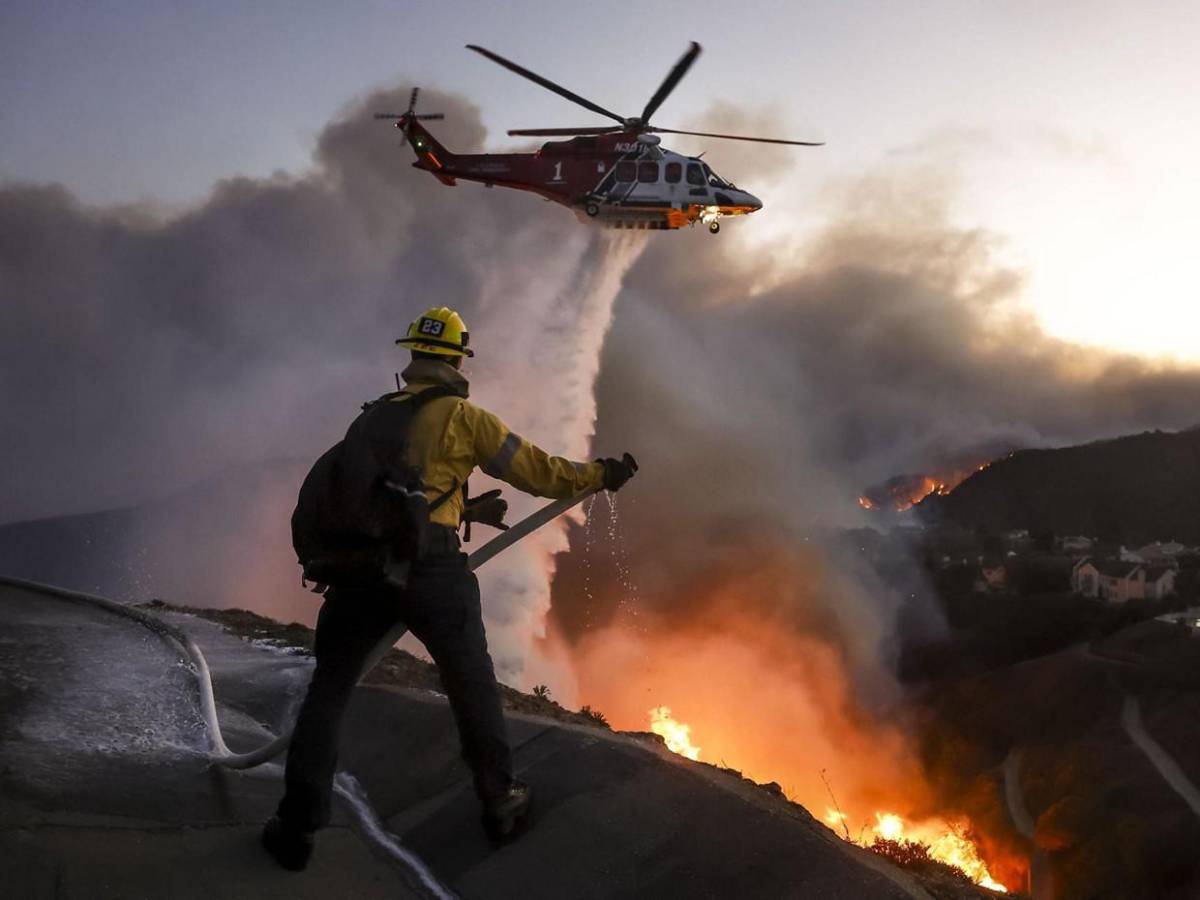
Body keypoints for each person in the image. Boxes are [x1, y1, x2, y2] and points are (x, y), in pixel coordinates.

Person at [263, 306, 638, 870]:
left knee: (329, 691)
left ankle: (295, 828)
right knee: (472, 684)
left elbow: (390, 495)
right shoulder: (464, 418)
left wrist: (467, 507)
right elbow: (540, 473)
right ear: (459, 360)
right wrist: (599, 476)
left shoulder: (371, 417)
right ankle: (501, 802)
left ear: (412, 356)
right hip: (431, 572)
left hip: (360, 573)